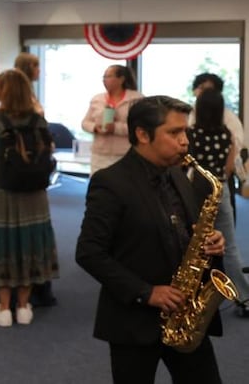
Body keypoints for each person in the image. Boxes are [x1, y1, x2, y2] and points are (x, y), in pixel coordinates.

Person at [76, 96, 227, 384]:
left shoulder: (180, 175)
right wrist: (146, 292)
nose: (184, 142)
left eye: (185, 132)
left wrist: (212, 242)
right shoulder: (111, 182)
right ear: (143, 135)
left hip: (187, 315)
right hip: (134, 322)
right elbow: (89, 252)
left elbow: (186, 230)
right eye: (174, 133)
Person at [0, 70, 59, 326]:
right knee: (30, 244)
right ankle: (24, 307)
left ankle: (3, 308)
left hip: (0, 194)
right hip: (34, 195)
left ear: (2, 91)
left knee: (3, 244)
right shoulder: (39, 121)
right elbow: (49, 152)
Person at [187, 88, 249, 317]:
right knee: (229, 246)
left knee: (192, 244)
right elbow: (230, 168)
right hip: (219, 190)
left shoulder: (190, 133)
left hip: (195, 190)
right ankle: (245, 298)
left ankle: (191, 297)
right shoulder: (227, 135)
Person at [190, 72, 247, 224]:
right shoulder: (189, 114)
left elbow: (237, 145)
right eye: (200, 87)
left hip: (220, 177)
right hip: (199, 179)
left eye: (209, 89)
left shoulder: (229, 118)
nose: (203, 92)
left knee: (223, 223)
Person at [82, 64, 143, 174]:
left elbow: (141, 127)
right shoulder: (97, 99)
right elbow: (85, 123)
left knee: (125, 187)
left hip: (126, 154)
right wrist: (95, 128)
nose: (104, 80)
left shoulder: (136, 99)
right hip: (100, 155)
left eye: (108, 77)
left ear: (121, 79)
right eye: (103, 77)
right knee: (99, 187)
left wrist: (115, 128)